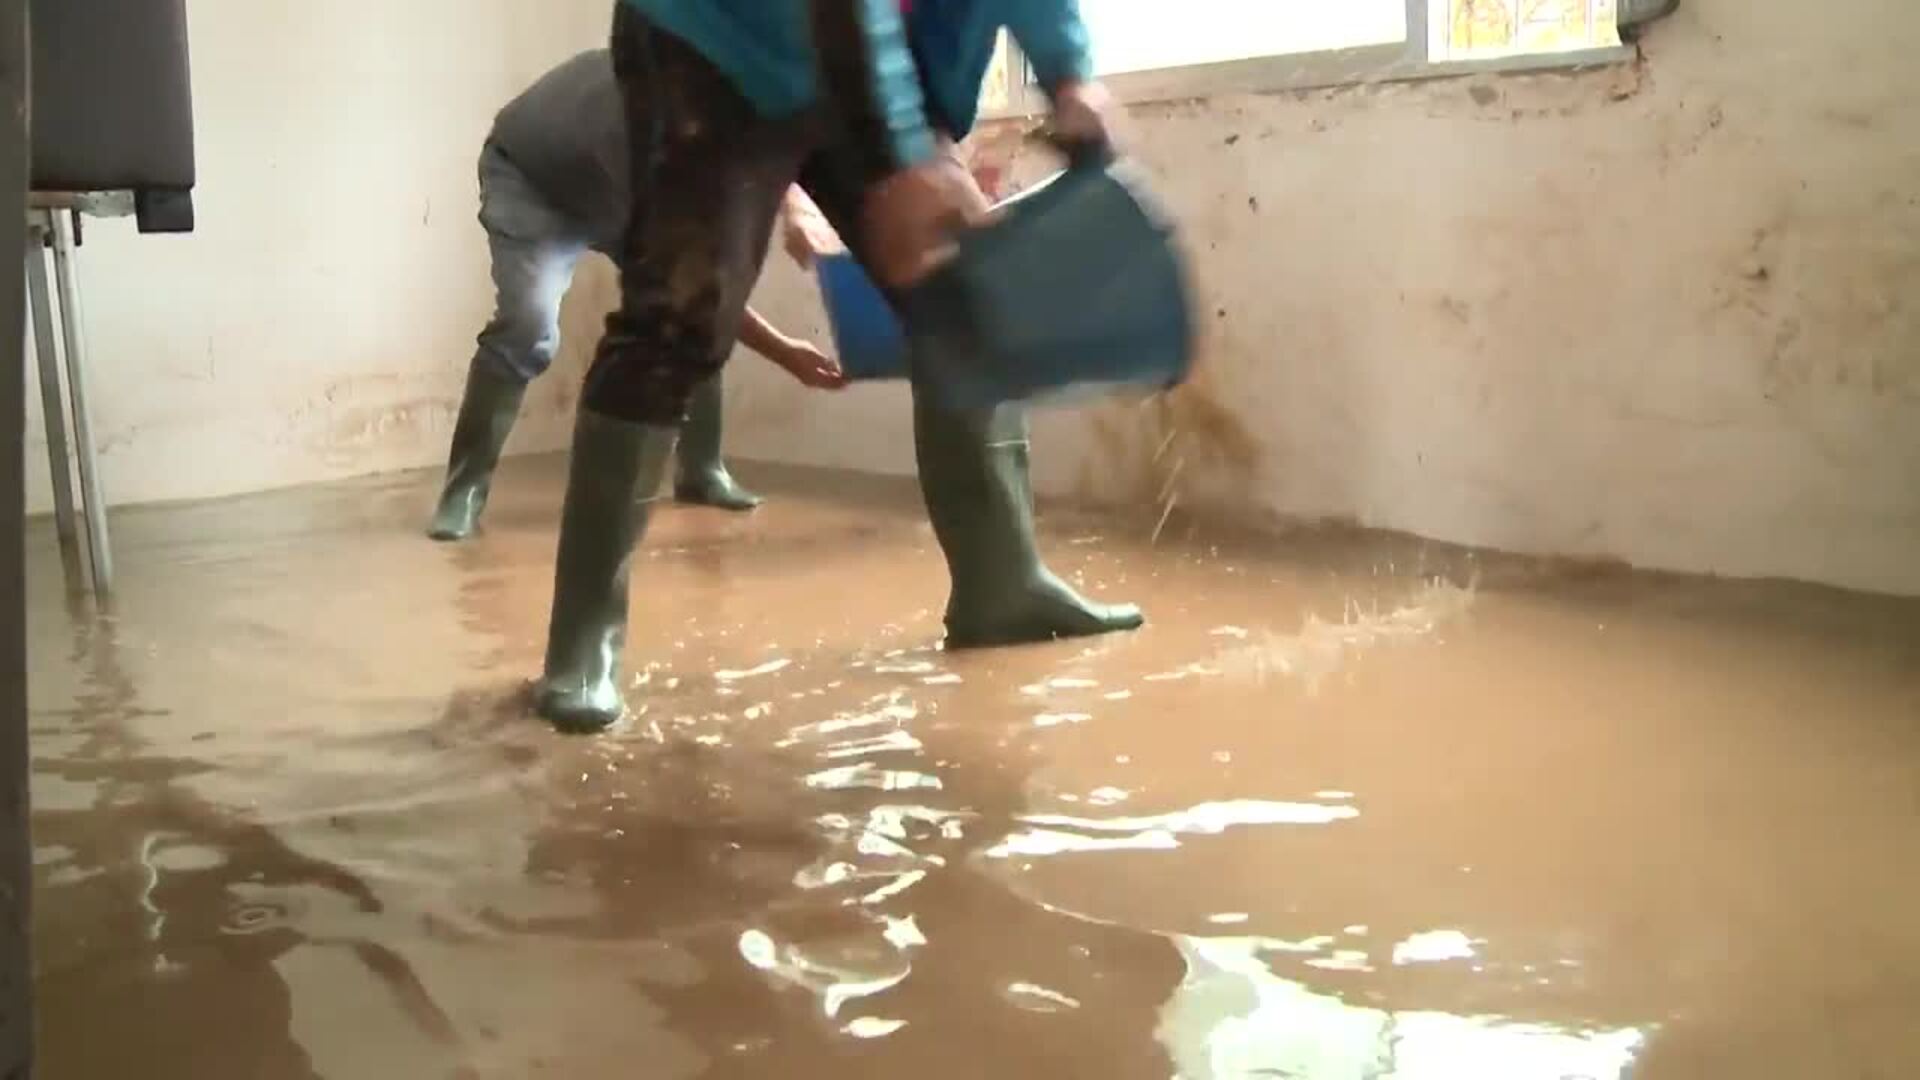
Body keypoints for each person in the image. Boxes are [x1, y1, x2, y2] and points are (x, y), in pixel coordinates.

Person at [538, 0, 1140, 731]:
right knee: (682, 311)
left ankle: (1002, 584)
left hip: (875, 54)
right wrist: (901, 149)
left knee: (961, 292)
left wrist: (1070, 70)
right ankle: (583, 640)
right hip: (722, 40)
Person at [427, 50, 847, 542]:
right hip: (531, 180)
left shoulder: (732, 99)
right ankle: (464, 490)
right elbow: (690, 278)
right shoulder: (649, 128)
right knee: (529, 327)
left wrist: (803, 211)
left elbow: (778, 152)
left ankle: (701, 470)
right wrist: (784, 352)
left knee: (691, 312)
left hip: (610, 178)